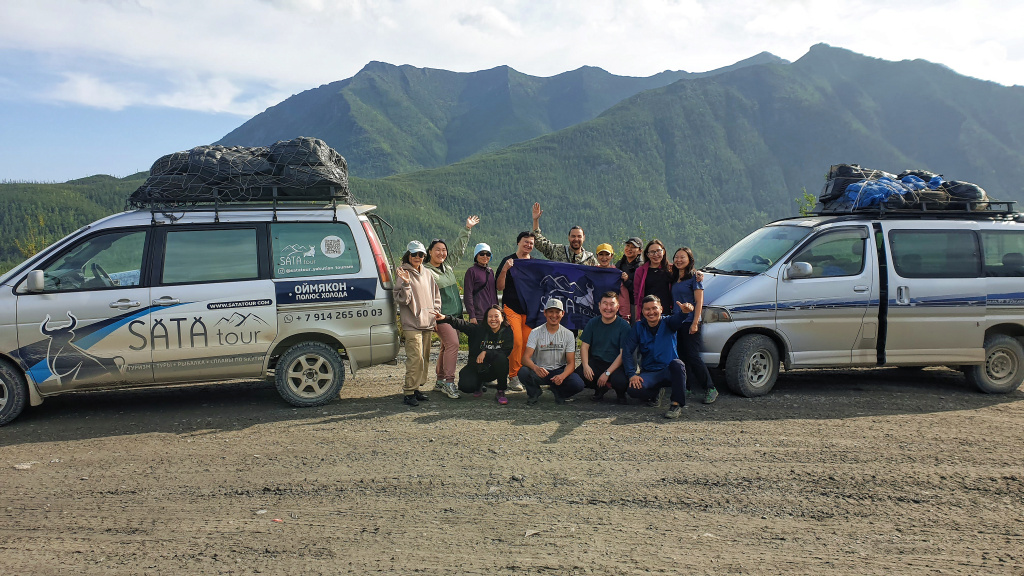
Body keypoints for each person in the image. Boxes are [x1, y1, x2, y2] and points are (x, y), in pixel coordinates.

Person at [424, 215, 479, 399]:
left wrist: (467, 229)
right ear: (429, 252)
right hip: (440, 316)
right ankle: (449, 382)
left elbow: (458, 250)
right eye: (437, 250)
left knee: (445, 347)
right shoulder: (425, 271)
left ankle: (440, 380)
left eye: (444, 250)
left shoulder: (446, 267)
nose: (442, 253)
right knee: (453, 345)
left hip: (454, 317)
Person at [623, 295, 693, 419]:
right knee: (633, 390)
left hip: (668, 371)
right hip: (650, 372)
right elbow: (628, 351)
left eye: (654, 308)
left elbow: (678, 320)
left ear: (661, 308)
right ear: (642, 311)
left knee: (678, 364)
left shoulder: (668, 322)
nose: (651, 312)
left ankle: (676, 404)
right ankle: (655, 393)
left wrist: (684, 312)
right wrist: (632, 374)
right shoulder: (638, 327)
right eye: (647, 309)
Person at [436, 305, 515, 405]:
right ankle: (478, 385)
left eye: (496, 316)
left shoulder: (507, 332)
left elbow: (506, 351)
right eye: (490, 317)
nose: (493, 319)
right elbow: (462, 324)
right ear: (486, 318)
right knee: (466, 386)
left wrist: (486, 352)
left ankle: (501, 391)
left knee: (502, 359)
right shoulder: (478, 330)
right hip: (477, 367)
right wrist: (446, 318)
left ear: (502, 317)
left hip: (495, 369)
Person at [393, 241, 440, 407]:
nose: (417, 257)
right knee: (415, 358)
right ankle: (408, 392)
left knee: (424, 358)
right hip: (412, 324)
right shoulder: (403, 273)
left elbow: (436, 296)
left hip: (427, 322)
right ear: (408, 255)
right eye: (414, 254)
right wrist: (406, 283)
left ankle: (416, 388)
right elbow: (401, 299)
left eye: (420, 255)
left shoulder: (427, 273)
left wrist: (434, 316)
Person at [671, 247, 718, 404]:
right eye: (676, 257)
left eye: (682, 257)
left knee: (693, 357)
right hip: (678, 322)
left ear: (690, 260)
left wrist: (695, 322)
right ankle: (686, 387)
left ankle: (710, 388)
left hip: (690, 322)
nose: (679, 260)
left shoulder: (695, 279)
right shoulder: (674, 277)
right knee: (682, 356)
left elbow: (699, 302)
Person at [518, 298, 586, 405]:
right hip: (540, 370)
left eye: (557, 312)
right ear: (545, 313)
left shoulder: (568, 334)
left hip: (559, 370)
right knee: (523, 372)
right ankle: (534, 392)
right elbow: (525, 359)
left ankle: (560, 393)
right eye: (551, 312)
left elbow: (571, 363)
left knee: (578, 384)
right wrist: (536, 368)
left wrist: (562, 376)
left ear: (562, 313)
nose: (554, 315)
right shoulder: (535, 332)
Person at [496, 231, 535, 392]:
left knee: (528, 344)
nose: (528, 245)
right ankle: (513, 376)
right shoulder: (508, 260)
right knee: (516, 342)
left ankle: (524, 375)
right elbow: (499, 286)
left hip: (529, 309)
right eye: (526, 242)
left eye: (531, 243)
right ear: (518, 242)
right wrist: (505, 270)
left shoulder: (535, 263)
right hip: (511, 307)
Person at [576, 291, 631, 403]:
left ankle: (620, 394)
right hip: (597, 361)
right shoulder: (592, 323)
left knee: (620, 381)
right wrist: (586, 366)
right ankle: (599, 388)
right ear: (599, 305)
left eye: (612, 304)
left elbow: (622, 354)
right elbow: (584, 347)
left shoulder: (624, 326)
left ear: (618, 307)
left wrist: (607, 373)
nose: (608, 308)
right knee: (577, 378)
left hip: (616, 364)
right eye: (605, 304)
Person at [530, 202, 597, 265]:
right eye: (573, 236)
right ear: (569, 237)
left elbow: (602, 272)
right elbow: (539, 241)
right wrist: (535, 220)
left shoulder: (589, 259)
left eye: (579, 236)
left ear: (583, 238)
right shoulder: (558, 251)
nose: (576, 239)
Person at [632, 239, 674, 319]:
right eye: (652, 252)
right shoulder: (641, 271)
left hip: (666, 313)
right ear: (647, 255)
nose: (655, 254)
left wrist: (697, 274)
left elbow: (686, 273)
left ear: (663, 252)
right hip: (647, 313)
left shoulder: (671, 269)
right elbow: (637, 295)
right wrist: (638, 317)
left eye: (658, 251)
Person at [595, 243, 632, 319]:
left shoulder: (617, 274)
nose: (604, 257)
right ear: (597, 256)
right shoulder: (592, 272)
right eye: (601, 254)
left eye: (607, 254)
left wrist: (625, 315)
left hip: (613, 313)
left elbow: (624, 296)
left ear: (611, 256)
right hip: (594, 313)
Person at [463, 243, 497, 325]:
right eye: (482, 254)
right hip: (479, 316)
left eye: (488, 254)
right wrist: (472, 315)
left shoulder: (490, 271)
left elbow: (494, 293)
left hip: (492, 316)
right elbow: (468, 294)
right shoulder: (471, 271)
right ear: (476, 256)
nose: (485, 256)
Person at [616, 237, 644, 321]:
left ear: (640, 251)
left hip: (634, 304)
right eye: (628, 246)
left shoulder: (641, 267)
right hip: (619, 303)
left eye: (633, 247)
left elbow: (640, 289)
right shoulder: (620, 264)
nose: (629, 249)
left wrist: (627, 281)